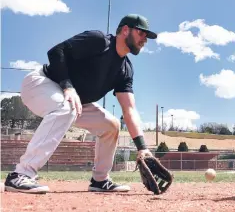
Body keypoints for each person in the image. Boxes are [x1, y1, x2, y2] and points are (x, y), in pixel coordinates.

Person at [4, 14, 157, 194]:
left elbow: (129, 109)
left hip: (75, 101)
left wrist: (142, 148)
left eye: (146, 36)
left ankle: (100, 180)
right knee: (65, 107)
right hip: (42, 83)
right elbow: (56, 51)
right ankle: (20, 174)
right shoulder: (99, 41)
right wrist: (67, 86)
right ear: (125, 30)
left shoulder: (125, 69)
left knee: (111, 126)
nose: (144, 39)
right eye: (141, 33)